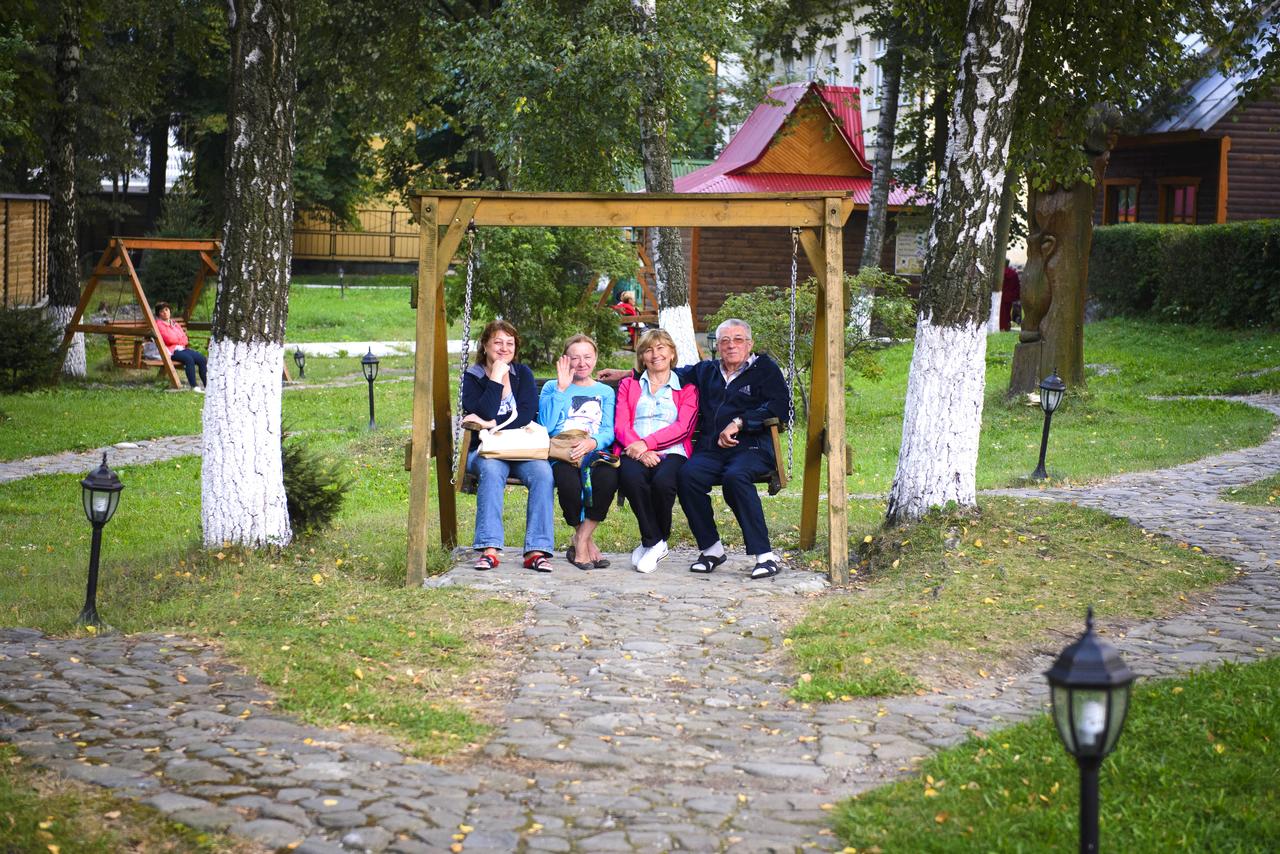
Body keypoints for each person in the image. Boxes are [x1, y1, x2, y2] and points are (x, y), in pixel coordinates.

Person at [602, 318, 789, 580]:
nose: (731, 345)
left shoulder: (765, 369)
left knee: (735, 478)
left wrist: (741, 422)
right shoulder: (707, 371)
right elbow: (664, 370)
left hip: (752, 446)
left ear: (750, 344)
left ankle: (764, 556)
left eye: (738, 340)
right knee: (688, 476)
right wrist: (627, 374)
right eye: (725, 341)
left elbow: (780, 407)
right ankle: (711, 549)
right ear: (718, 346)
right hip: (713, 448)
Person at [461, 321, 555, 573]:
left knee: (543, 473)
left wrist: (491, 423)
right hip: (486, 450)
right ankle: (489, 549)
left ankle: (536, 551)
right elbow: (482, 411)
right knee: (491, 471)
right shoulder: (473, 377)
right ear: (485, 345)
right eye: (498, 342)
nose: (504, 348)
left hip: (522, 449)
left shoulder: (523, 374)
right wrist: (495, 377)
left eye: (510, 343)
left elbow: (526, 414)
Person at [614, 329, 699, 574]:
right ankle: (656, 542)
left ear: (672, 353)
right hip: (633, 450)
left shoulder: (687, 388)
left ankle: (651, 542)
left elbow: (684, 427)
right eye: (648, 350)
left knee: (663, 482)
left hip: (673, 450)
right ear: (642, 357)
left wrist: (648, 444)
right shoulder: (629, 385)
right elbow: (621, 425)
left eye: (661, 348)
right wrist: (640, 450)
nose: (655, 354)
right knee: (631, 477)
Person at [539, 334, 618, 570]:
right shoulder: (552, 387)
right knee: (568, 485)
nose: (582, 363)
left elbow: (608, 429)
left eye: (587, 357)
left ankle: (581, 540)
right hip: (563, 452)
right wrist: (561, 389)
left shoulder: (605, 392)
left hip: (594, 451)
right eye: (575, 358)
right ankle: (585, 541)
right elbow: (546, 426)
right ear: (565, 359)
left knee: (608, 479)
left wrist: (593, 442)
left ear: (596, 358)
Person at [153, 302, 207, 392]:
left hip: (182, 348)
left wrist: (179, 340)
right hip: (170, 351)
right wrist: (179, 339)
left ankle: (208, 386)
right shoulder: (159, 325)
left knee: (202, 359)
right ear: (158, 314)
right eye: (162, 311)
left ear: (170, 311)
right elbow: (169, 339)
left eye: (166, 310)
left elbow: (185, 339)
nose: (165, 312)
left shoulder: (175, 324)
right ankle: (194, 386)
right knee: (189, 359)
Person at [999, 262, 1021, 331]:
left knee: (1001, 313)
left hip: (999, 295)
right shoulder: (1013, 273)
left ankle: (1002, 327)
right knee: (1006, 314)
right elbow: (1017, 287)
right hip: (1008, 297)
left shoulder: (998, 272)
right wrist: (1015, 296)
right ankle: (1005, 327)